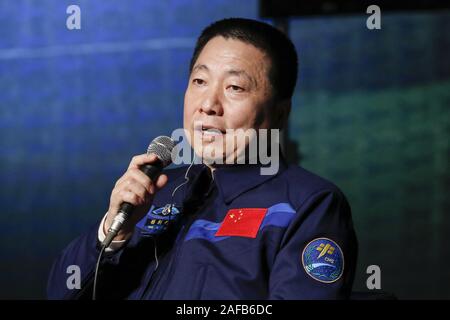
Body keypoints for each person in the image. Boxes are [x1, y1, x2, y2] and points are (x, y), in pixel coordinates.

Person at [47, 18, 358, 300]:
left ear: (279, 113)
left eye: (234, 87)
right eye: (199, 81)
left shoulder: (309, 204)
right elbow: (61, 292)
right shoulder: (156, 191)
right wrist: (112, 233)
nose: (208, 104)